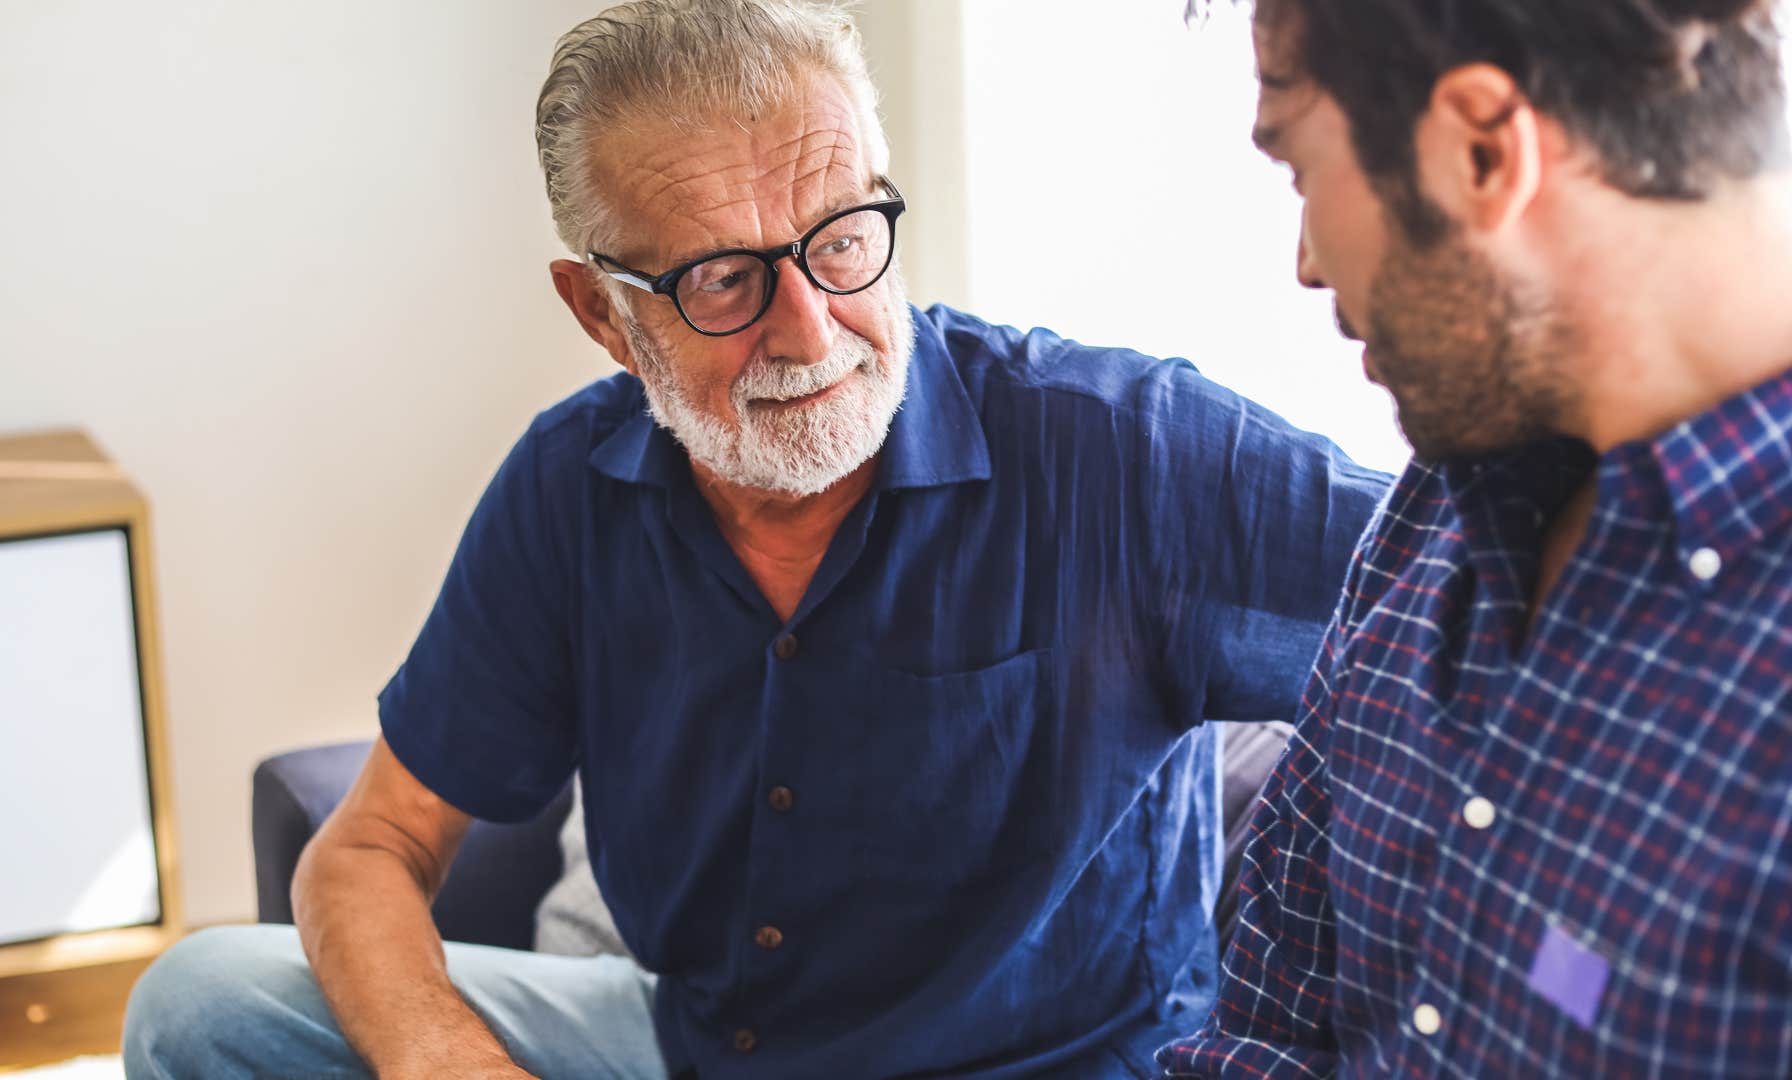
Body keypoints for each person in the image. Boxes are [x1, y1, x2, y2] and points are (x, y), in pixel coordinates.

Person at [121, 2, 1385, 1077]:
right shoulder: (569, 488)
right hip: (698, 1046)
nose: (812, 330)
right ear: (604, 316)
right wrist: (448, 1060)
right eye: (724, 280)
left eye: (841, 240)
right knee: (202, 1005)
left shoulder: (1127, 452)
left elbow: (1482, 588)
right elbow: (368, 850)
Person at [1159, 0, 1792, 1075]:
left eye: (1302, 168)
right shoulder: (1428, 523)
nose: (1308, 264)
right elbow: (1265, 1030)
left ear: (1481, 150)